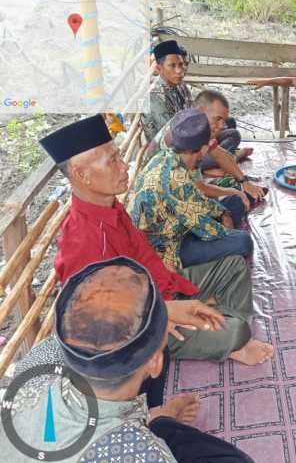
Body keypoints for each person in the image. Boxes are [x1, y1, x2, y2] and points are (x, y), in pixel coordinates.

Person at [39, 115, 273, 365]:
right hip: (140, 323)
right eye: (113, 161)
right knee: (238, 332)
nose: (125, 166)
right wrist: (163, 313)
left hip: (157, 290)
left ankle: (221, 330)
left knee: (234, 266)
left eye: (119, 156)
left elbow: (146, 258)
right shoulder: (83, 240)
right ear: (82, 174)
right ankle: (227, 336)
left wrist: (169, 293)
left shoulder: (111, 208)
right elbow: (101, 320)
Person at [0, 257, 253, 462]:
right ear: (154, 363)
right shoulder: (140, 453)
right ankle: (159, 421)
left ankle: (157, 420)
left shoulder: (39, 360)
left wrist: (165, 311)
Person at [127, 108, 254, 267]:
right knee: (243, 241)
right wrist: (226, 231)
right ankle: (219, 260)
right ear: (204, 149)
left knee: (235, 201)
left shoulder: (165, 157)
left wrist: (223, 213)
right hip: (165, 248)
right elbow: (208, 228)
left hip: (178, 224)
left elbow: (196, 200)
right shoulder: (176, 180)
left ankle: (219, 251)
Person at [153, 90, 266, 205]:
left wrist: (244, 181)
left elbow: (219, 154)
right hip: (164, 197)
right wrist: (233, 192)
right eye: (217, 119)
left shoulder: (195, 127)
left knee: (234, 183)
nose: (222, 126)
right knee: (229, 205)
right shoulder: (183, 136)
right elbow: (197, 188)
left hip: (187, 184)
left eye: (223, 120)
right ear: (200, 111)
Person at [145, 40, 194, 141]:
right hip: (166, 151)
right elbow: (173, 135)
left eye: (181, 64)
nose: (179, 70)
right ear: (159, 69)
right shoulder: (155, 97)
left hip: (185, 138)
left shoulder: (180, 84)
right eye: (172, 66)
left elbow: (191, 111)